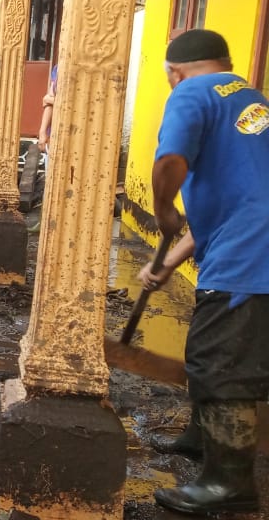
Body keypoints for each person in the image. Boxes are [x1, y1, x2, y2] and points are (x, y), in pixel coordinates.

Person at [136, 29, 269, 515]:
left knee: (223, 364)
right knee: (214, 345)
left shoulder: (191, 92)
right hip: (249, 237)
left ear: (174, 73)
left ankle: (229, 484)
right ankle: (201, 438)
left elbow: (170, 159)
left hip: (250, 252)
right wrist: (167, 262)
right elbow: (232, 201)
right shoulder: (250, 97)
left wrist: (164, 208)